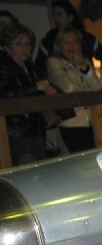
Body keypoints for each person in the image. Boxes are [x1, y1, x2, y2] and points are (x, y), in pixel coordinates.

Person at [0, 22, 58, 165]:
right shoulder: (3, 66)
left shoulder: (30, 66)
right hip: (16, 130)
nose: (25, 48)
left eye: (28, 44)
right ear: (7, 46)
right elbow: (4, 95)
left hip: (35, 128)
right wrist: (36, 87)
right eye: (19, 44)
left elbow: (33, 92)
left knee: (38, 167)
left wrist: (46, 91)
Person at [46, 27, 101, 153]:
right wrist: (89, 92)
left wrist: (82, 66)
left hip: (92, 120)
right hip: (71, 123)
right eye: (66, 42)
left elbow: (97, 88)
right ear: (59, 46)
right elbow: (68, 88)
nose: (71, 46)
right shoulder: (54, 63)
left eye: (75, 42)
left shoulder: (85, 62)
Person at [36, 0, 102, 78]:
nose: (55, 19)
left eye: (59, 14)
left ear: (70, 17)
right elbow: (39, 68)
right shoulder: (48, 41)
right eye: (53, 15)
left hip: (85, 81)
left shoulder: (88, 39)